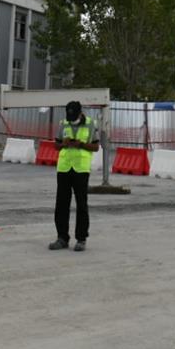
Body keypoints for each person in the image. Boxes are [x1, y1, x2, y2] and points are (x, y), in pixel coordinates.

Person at [49, 100, 100, 252]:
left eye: (74, 116)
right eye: (69, 116)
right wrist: (63, 144)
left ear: (80, 113)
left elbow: (96, 147)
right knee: (61, 204)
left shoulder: (90, 124)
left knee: (81, 204)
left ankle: (81, 238)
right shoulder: (64, 123)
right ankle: (62, 237)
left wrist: (81, 144)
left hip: (81, 169)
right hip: (64, 168)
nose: (71, 119)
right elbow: (56, 145)